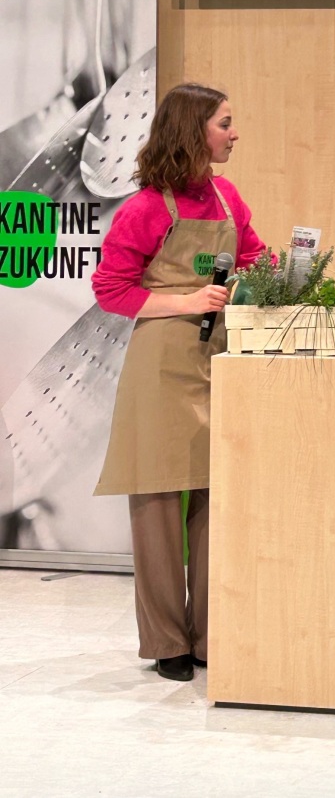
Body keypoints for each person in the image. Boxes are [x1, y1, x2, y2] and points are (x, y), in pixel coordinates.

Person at [92, 83, 265, 682]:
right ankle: (167, 640)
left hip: (217, 360)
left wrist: (260, 274)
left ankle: (211, 637)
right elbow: (110, 290)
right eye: (225, 123)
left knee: (217, 500)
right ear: (194, 132)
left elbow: (252, 256)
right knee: (160, 503)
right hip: (161, 367)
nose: (234, 133)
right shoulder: (143, 208)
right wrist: (185, 298)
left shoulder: (227, 197)